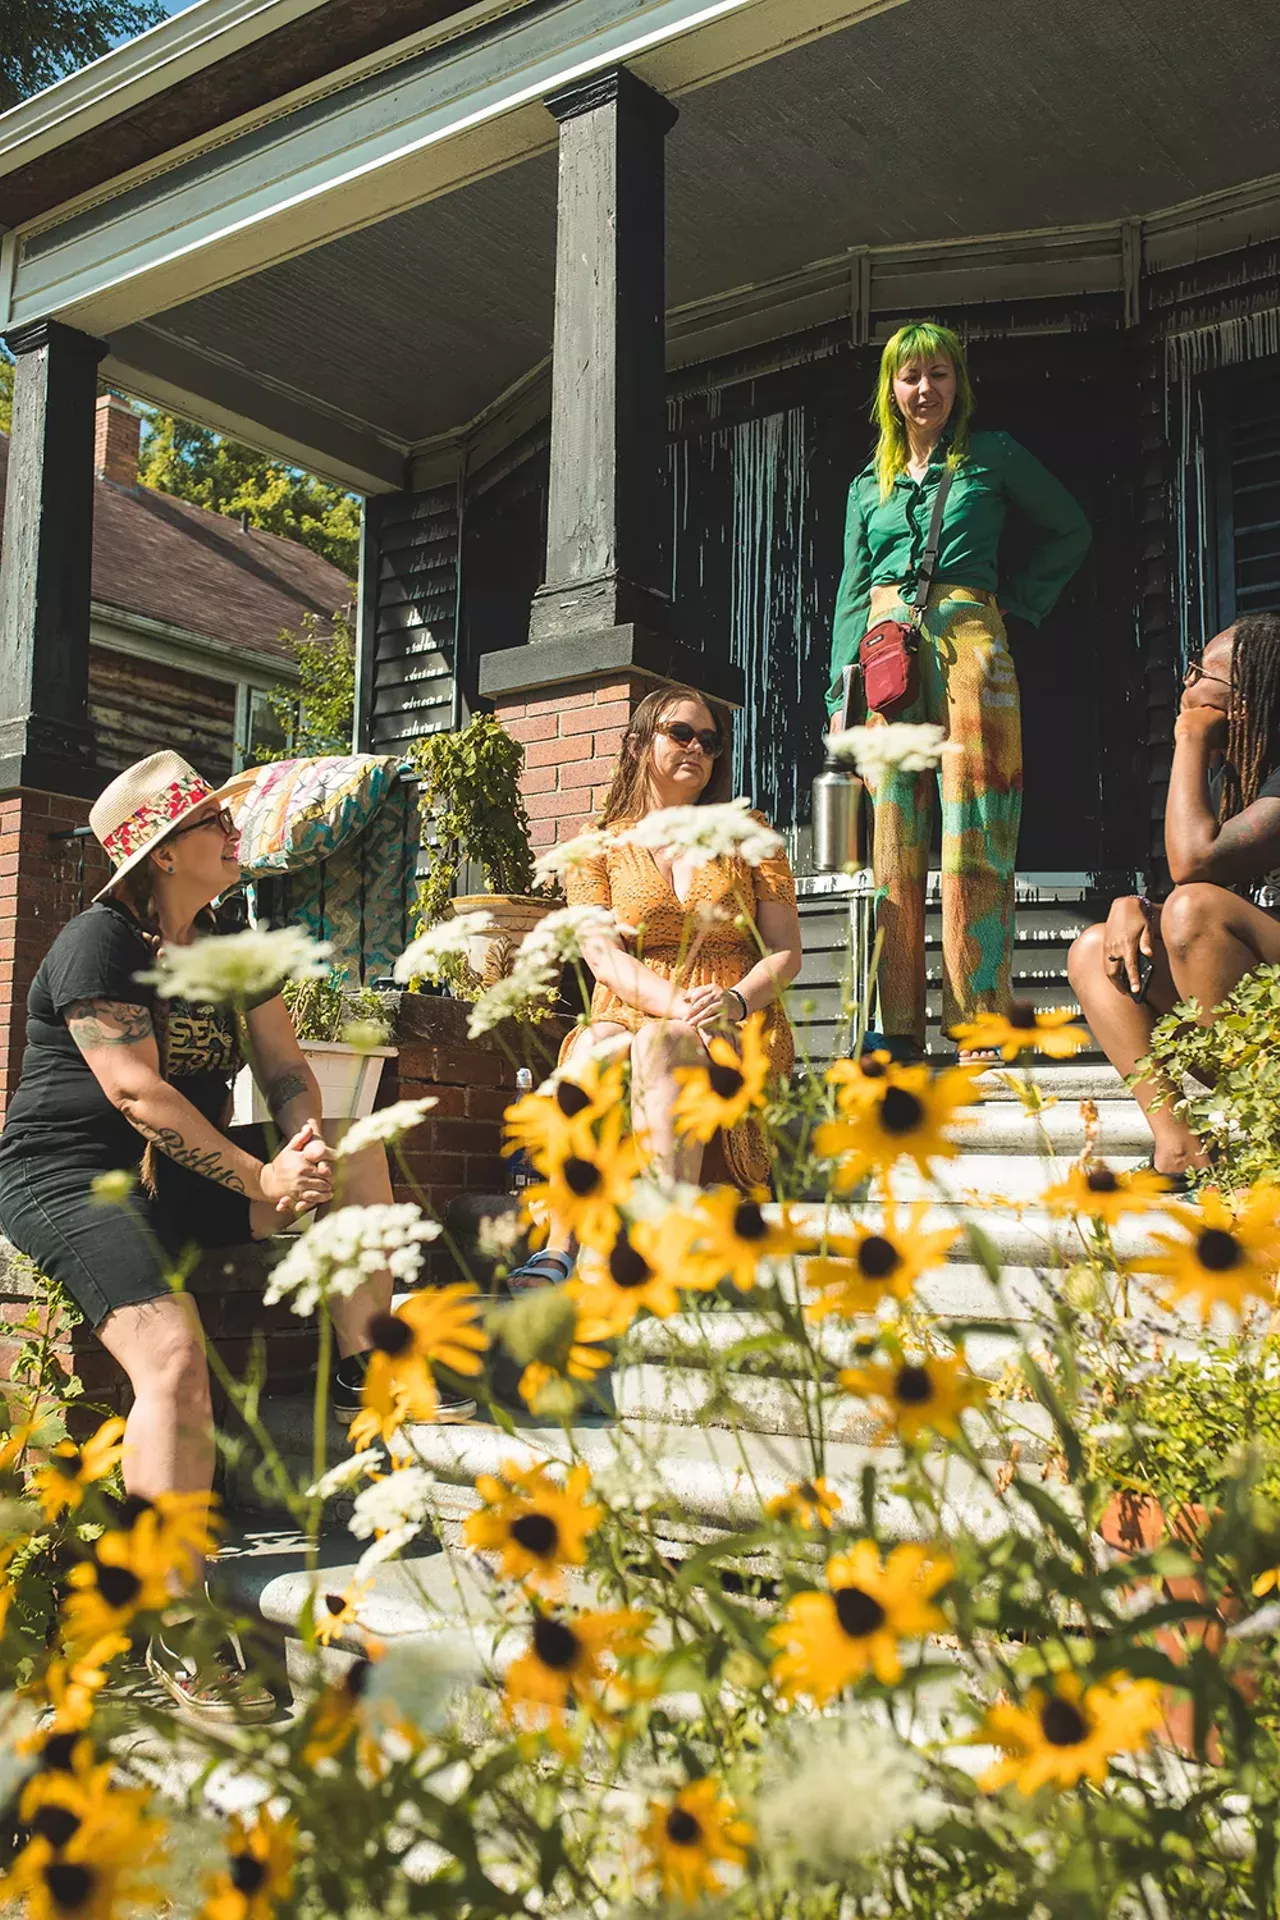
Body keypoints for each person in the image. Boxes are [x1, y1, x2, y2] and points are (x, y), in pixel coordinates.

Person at [0, 751, 442, 1715]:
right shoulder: (98, 943)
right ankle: (176, 1631)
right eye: (211, 821)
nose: (231, 830)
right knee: (172, 1358)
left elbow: (284, 1064)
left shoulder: (232, 939)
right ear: (160, 854)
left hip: (182, 1172)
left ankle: (373, 1389)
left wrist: (304, 1147)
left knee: (362, 1155)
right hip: (71, 1174)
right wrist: (256, 1176)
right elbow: (134, 1090)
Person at [827, 320, 1091, 1057]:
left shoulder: (993, 457)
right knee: (894, 844)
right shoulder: (864, 488)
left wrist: (1020, 604)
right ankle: (901, 1027)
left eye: (939, 374)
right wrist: (836, 701)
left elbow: (1071, 529)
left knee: (978, 823)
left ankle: (978, 1015)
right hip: (886, 660)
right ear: (891, 391)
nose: (925, 389)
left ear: (958, 385)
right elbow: (853, 596)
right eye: (910, 377)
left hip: (972, 650)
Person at [507, 688, 802, 1288]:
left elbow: (787, 954)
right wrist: (676, 1006)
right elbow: (600, 955)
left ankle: (659, 1239)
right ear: (640, 744)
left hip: (732, 1013)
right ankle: (562, 1246)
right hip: (632, 1002)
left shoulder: (750, 833)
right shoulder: (599, 844)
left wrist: (733, 1000)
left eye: (711, 741)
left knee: (650, 1046)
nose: (698, 747)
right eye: (682, 733)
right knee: (598, 1050)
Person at [1068, 614, 1280, 1183]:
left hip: (1266, 1029)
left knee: (1193, 911)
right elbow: (1195, 887)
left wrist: (1187, 736)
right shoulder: (1234, 780)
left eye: (1199, 673)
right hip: (1253, 1027)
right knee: (1097, 948)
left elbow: (1195, 864)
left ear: (1250, 695)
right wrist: (1133, 906)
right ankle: (1182, 1147)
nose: (1185, 686)